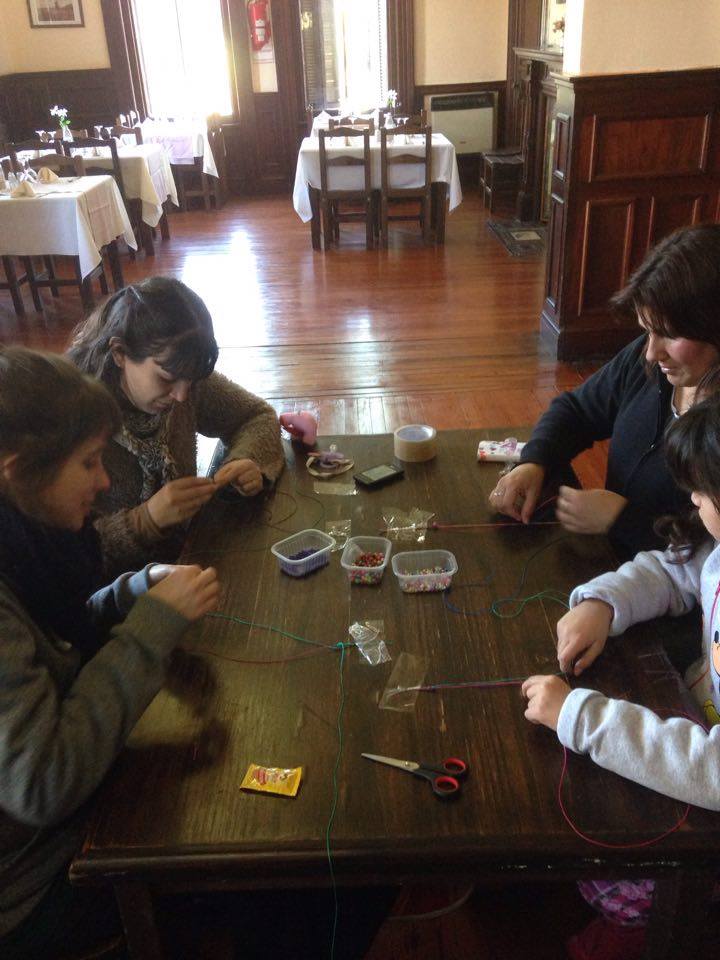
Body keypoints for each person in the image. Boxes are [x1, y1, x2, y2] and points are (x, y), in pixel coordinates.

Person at [0, 347, 220, 959]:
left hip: (59, 838)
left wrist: (131, 594)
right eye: (89, 462)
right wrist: (151, 627)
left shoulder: (23, 540)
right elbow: (44, 783)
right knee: (296, 876)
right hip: (35, 892)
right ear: (16, 472)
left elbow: (55, 646)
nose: (102, 482)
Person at [521, 394, 720, 960]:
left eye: (704, 491)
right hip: (697, 719)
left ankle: (637, 936)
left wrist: (579, 716)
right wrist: (604, 603)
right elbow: (676, 569)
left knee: (617, 875)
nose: (692, 498)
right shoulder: (717, 549)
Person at [488, 223, 720, 559]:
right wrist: (535, 461)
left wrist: (621, 519)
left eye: (669, 334)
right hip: (609, 564)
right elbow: (577, 410)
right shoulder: (648, 364)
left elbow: (708, 558)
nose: (652, 352)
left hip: (662, 584)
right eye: (648, 330)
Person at [68, 277, 285, 575]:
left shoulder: (182, 373)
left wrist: (246, 460)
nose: (181, 396)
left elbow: (256, 416)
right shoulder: (70, 418)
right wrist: (143, 522)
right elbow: (65, 556)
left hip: (187, 562)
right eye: (166, 379)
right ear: (119, 353)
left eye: (190, 382)